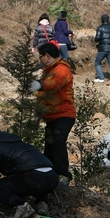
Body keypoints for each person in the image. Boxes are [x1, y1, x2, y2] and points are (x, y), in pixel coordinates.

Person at [0, 131, 59, 218]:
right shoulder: (19, 144)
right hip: (53, 178)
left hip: (34, 178)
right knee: (35, 180)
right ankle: (42, 203)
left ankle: (23, 206)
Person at [29, 43, 76, 186]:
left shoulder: (61, 69)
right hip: (51, 115)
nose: (40, 59)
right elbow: (43, 96)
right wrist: (38, 114)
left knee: (57, 141)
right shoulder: (48, 71)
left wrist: (41, 85)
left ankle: (63, 175)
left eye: (40, 56)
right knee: (49, 146)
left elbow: (55, 83)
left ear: (47, 56)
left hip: (64, 114)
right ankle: (49, 174)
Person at [94, 14, 110, 83]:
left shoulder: (100, 28)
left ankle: (101, 77)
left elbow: (97, 38)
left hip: (102, 48)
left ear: (102, 20)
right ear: (108, 20)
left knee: (97, 62)